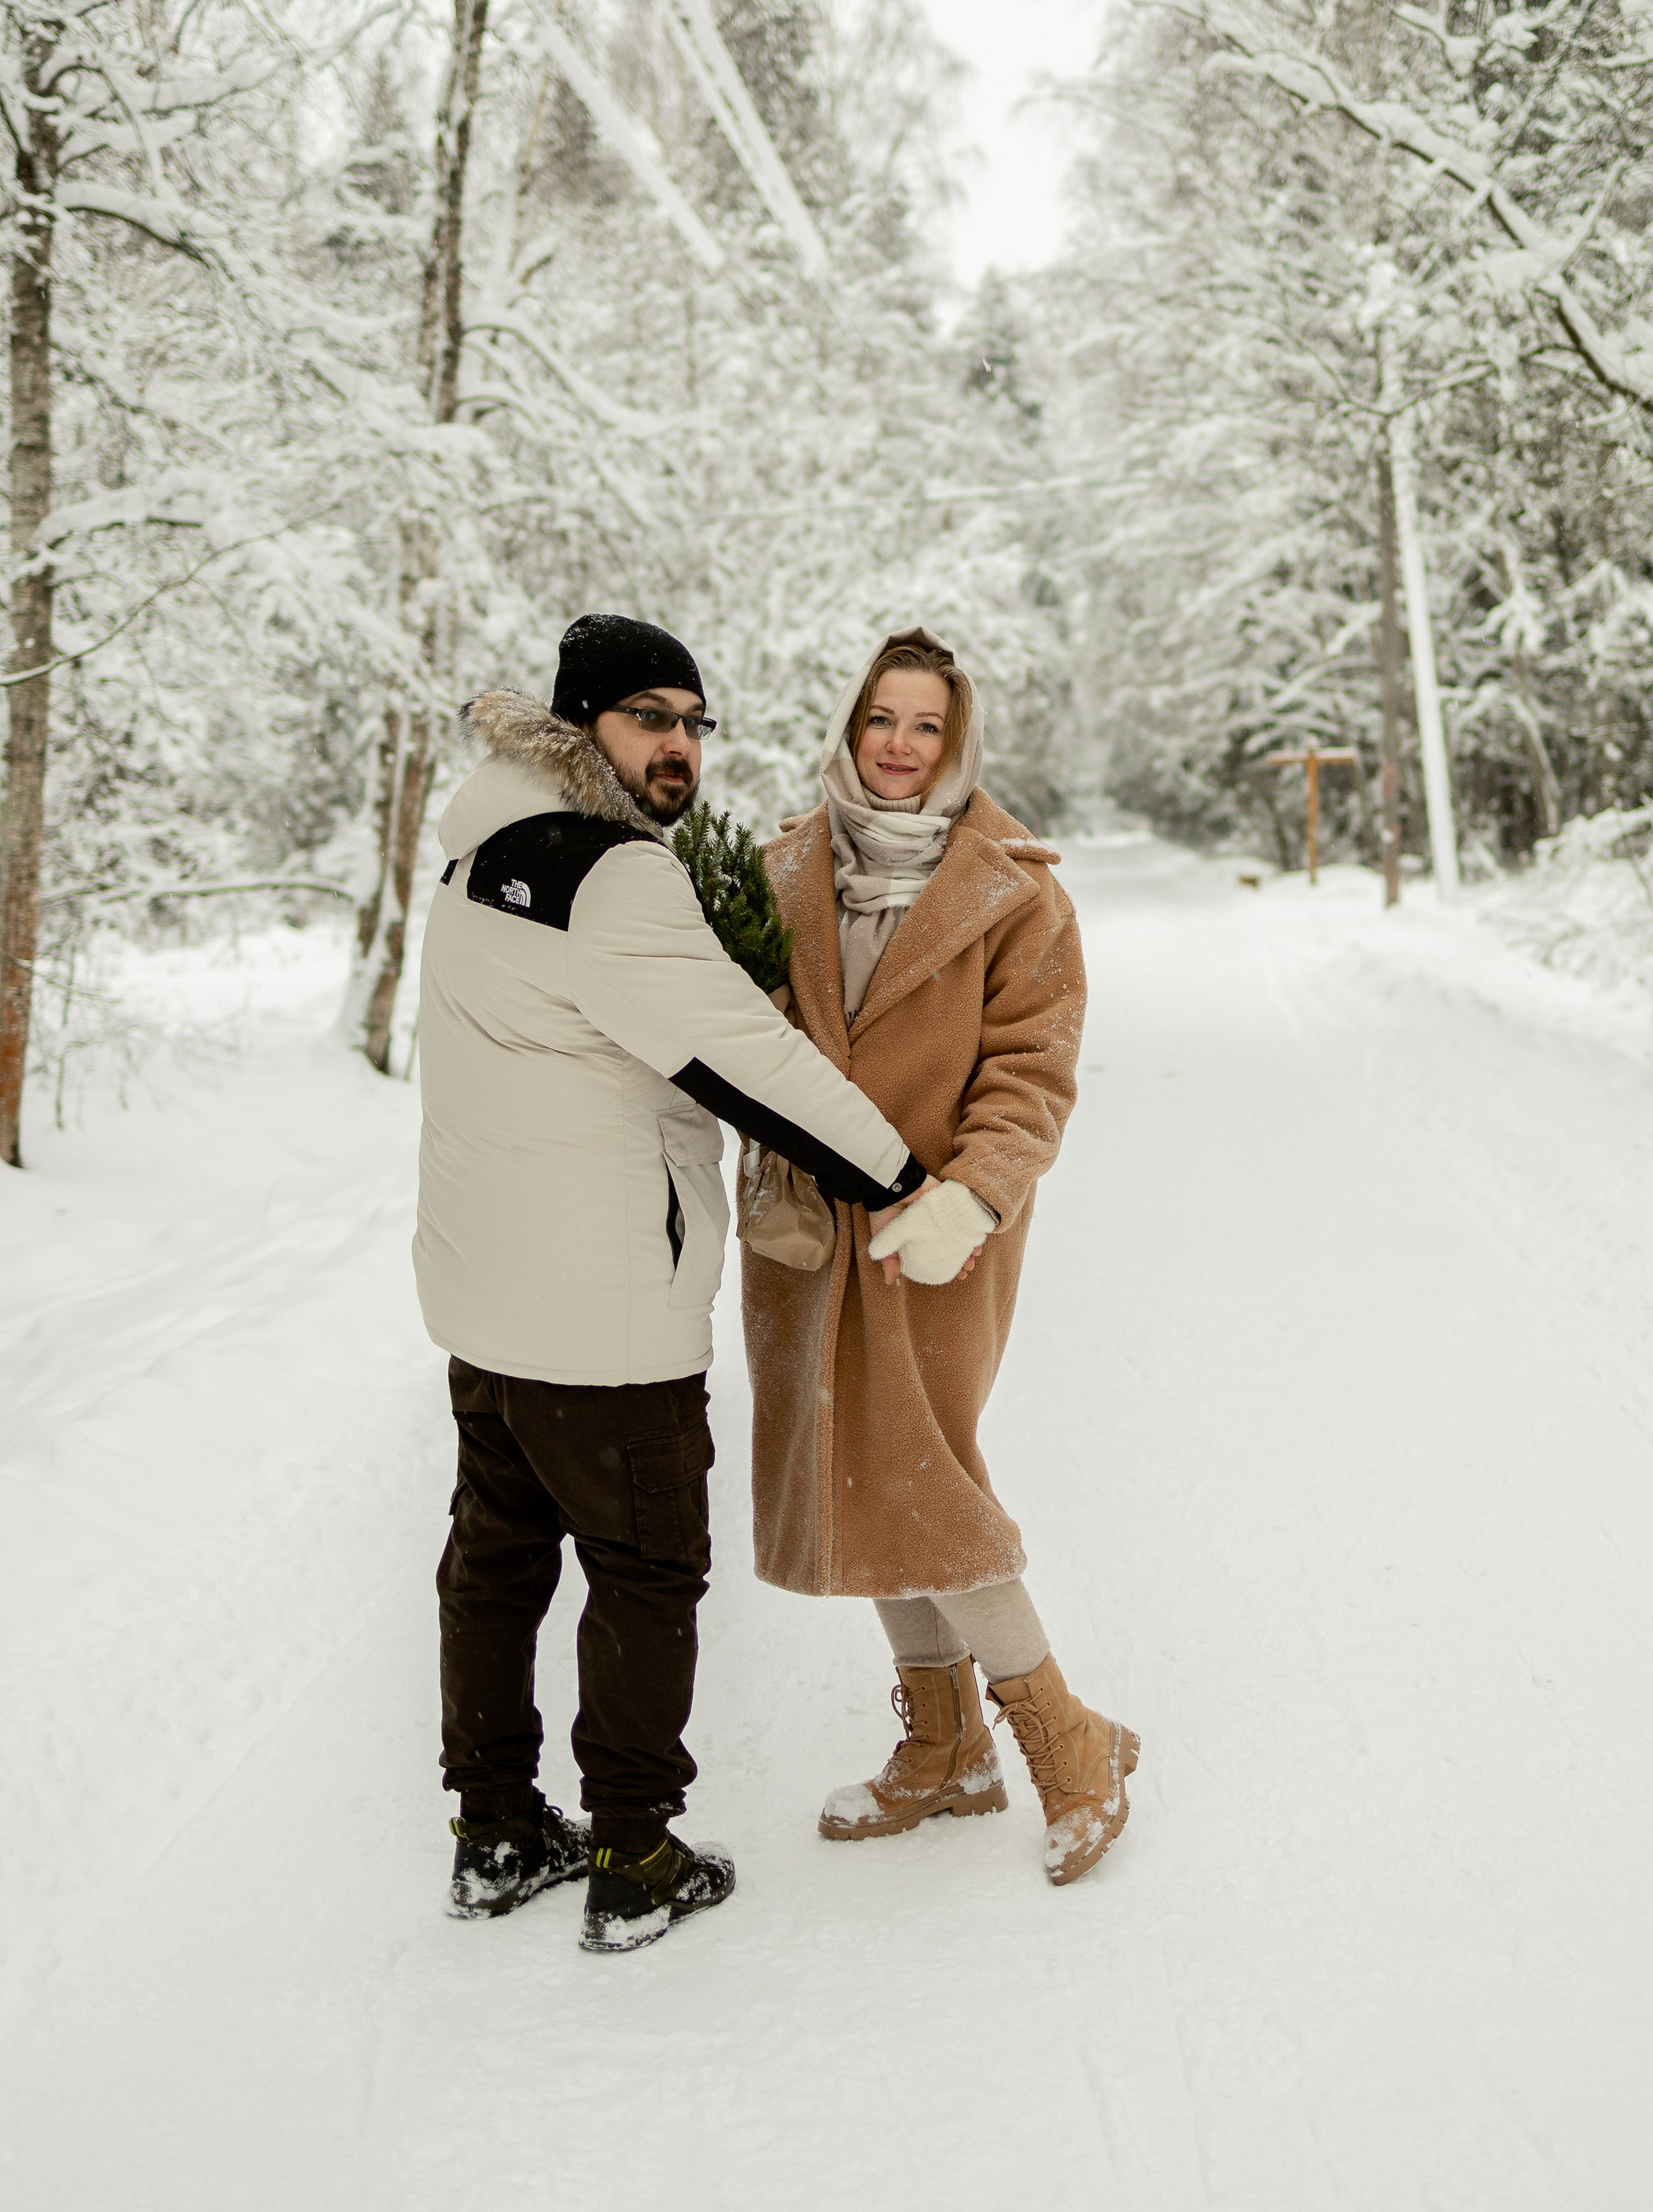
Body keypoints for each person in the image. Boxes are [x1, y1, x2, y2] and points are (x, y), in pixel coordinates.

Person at [414, 613, 930, 1953]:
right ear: (582, 721)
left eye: (698, 722)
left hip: (488, 1294)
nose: (681, 746)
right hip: (606, 1309)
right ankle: (636, 1855)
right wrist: (901, 1180)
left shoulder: (479, 848)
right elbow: (745, 1059)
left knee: (495, 1563)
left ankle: (495, 1832)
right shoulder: (612, 878)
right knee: (647, 1571)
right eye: (651, 717)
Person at [742, 626, 1138, 1886]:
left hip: (937, 1237)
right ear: (850, 729)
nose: (902, 748)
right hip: (809, 1237)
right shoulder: (777, 871)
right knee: (859, 1481)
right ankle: (949, 1747)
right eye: (882, 721)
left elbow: (1034, 1071)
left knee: (928, 1479)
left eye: (928, 727)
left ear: (957, 744)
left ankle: (1068, 1740)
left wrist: (973, 1198)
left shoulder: (1015, 890)